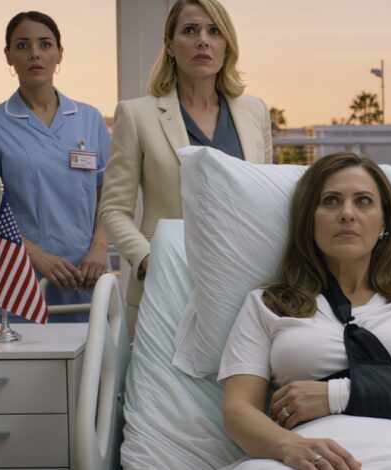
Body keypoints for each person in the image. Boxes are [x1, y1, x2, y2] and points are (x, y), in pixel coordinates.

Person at [219, 153, 391, 470]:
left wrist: (336, 395)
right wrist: (289, 446)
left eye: (363, 201)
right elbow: (238, 411)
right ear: (309, 219)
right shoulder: (268, 303)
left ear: (384, 223)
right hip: (306, 459)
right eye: (331, 201)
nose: (347, 214)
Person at [99, 0, 272, 335]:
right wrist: (150, 260)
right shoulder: (136, 115)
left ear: (227, 45)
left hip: (242, 286)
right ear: (169, 44)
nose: (202, 40)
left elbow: (265, 203)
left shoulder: (255, 112)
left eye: (214, 31)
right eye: (190, 30)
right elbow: (114, 210)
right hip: (164, 285)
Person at [0, 11, 110, 323]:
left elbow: (110, 195)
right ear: (8, 56)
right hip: (22, 277)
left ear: (59, 54)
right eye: (22, 45)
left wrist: (100, 247)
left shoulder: (90, 119)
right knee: (24, 353)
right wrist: (36, 256)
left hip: (85, 275)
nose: (35, 53)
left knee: (91, 355)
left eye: (45, 44)